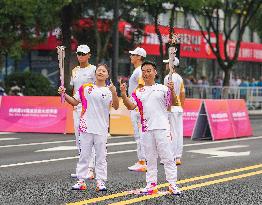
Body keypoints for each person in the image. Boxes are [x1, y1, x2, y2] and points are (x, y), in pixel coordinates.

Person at [120, 61, 181, 195]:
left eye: (149, 70)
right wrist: (124, 94)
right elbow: (131, 106)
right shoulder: (138, 91)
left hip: (162, 128)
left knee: (167, 158)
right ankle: (151, 185)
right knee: (150, 158)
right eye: (144, 71)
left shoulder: (163, 88)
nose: (146, 73)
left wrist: (171, 90)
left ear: (155, 72)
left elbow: (173, 103)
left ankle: (172, 184)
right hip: (146, 128)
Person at [58, 64, 119, 191]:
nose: (100, 72)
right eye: (99, 70)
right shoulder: (85, 88)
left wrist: (114, 92)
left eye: (104, 71)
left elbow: (116, 106)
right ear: (95, 73)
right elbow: (75, 102)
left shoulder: (109, 90)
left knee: (101, 156)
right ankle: (81, 180)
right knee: (84, 155)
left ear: (107, 75)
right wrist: (64, 94)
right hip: (85, 126)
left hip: (101, 128)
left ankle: (100, 182)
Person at [70, 45, 96, 179]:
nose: (81, 56)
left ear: (89, 55)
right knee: (78, 139)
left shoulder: (94, 70)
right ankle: (82, 169)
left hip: (89, 108)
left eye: (83, 54)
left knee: (88, 138)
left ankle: (90, 169)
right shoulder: (74, 70)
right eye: (79, 54)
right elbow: (75, 89)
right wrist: (72, 102)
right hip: (77, 107)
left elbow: (98, 88)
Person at [127, 47, 147, 172]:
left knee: (139, 135)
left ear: (139, 57)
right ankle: (143, 160)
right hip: (137, 105)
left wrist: (134, 101)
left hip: (137, 106)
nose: (131, 56)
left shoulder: (139, 70)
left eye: (133, 55)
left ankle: (142, 161)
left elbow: (141, 86)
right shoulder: (139, 70)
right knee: (141, 134)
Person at [163, 58, 185, 165]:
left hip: (171, 108)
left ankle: (170, 156)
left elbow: (167, 94)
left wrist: (167, 108)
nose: (166, 65)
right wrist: (181, 107)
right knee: (178, 132)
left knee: (171, 133)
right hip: (178, 108)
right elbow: (182, 94)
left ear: (172, 65)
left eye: (167, 63)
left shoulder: (168, 78)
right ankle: (177, 157)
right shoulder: (180, 78)